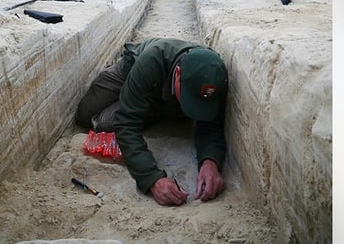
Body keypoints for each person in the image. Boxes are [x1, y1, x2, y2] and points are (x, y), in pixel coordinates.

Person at [75, 38, 229, 206]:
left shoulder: (215, 78)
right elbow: (127, 123)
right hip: (132, 70)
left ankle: (147, 104)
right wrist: (152, 179)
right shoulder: (153, 60)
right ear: (178, 74)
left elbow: (212, 123)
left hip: (158, 96)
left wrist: (210, 161)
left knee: (104, 125)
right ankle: (132, 96)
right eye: (189, 100)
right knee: (84, 115)